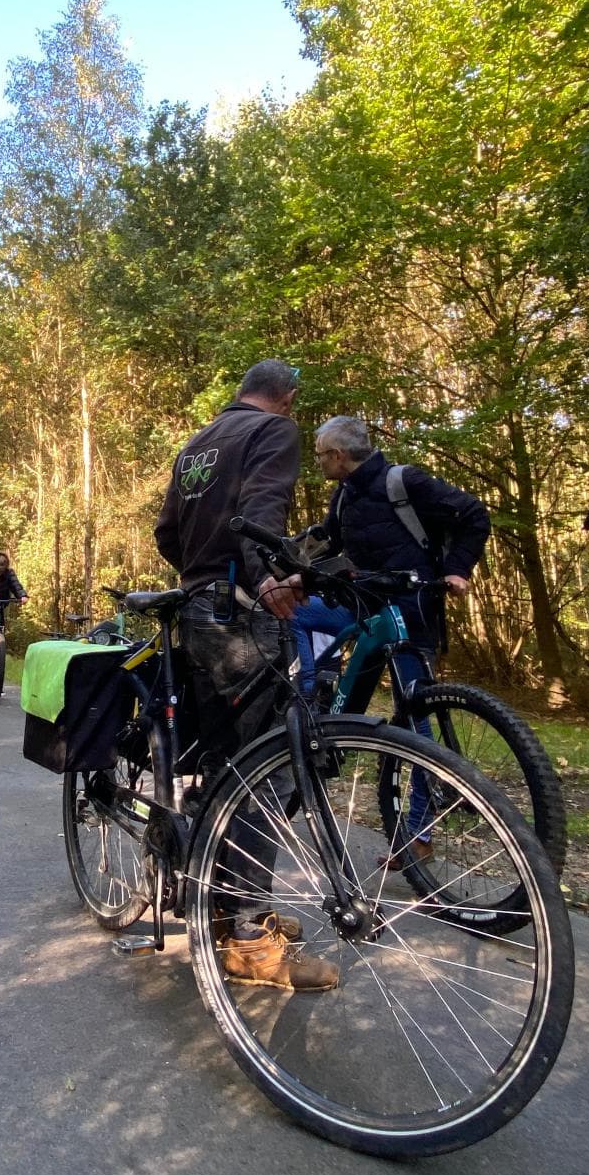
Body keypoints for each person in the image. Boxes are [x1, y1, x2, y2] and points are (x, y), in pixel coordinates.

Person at [154, 359, 337, 992]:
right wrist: (262, 575)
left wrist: (202, 575)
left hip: (197, 607)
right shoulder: (274, 432)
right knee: (270, 765)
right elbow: (262, 510)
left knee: (230, 761)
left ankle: (224, 901)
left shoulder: (198, 443)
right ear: (286, 397)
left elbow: (168, 534)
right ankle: (249, 939)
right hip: (242, 606)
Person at [303, 413, 491, 863]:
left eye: (319, 456)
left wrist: (457, 569)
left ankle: (418, 835)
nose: (317, 464)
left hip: (411, 615)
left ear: (338, 455)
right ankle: (310, 699)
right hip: (363, 607)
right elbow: (326, 543)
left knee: (418, 723)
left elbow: (473, 514)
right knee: (291, 615)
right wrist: (286, 565)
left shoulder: (403, 482)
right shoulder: (344, 495)